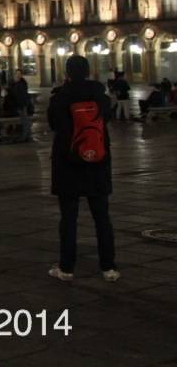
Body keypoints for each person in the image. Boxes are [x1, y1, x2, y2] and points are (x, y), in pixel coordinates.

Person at [46, 54, 119, 282]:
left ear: (66, 73)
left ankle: (66, 268)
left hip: (68, 165)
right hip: (96, 163)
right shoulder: (101, 97)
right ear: (88, 71)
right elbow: (107, 118)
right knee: (102, 218)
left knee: (68, 219)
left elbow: (54, 125)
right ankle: (108, 268)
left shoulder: (60, 98)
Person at [10, 69, 34, 142]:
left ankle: (25, 136)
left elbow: (22, 95)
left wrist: (22, 105)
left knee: (25, 121)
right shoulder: (16, 83)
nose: (18, 75)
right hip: (19, 104)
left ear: (21, 75)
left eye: (19, 73)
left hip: (22, 104)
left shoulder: (22, 83)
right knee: (24, 120)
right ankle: (28, 135)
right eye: (16, 73)